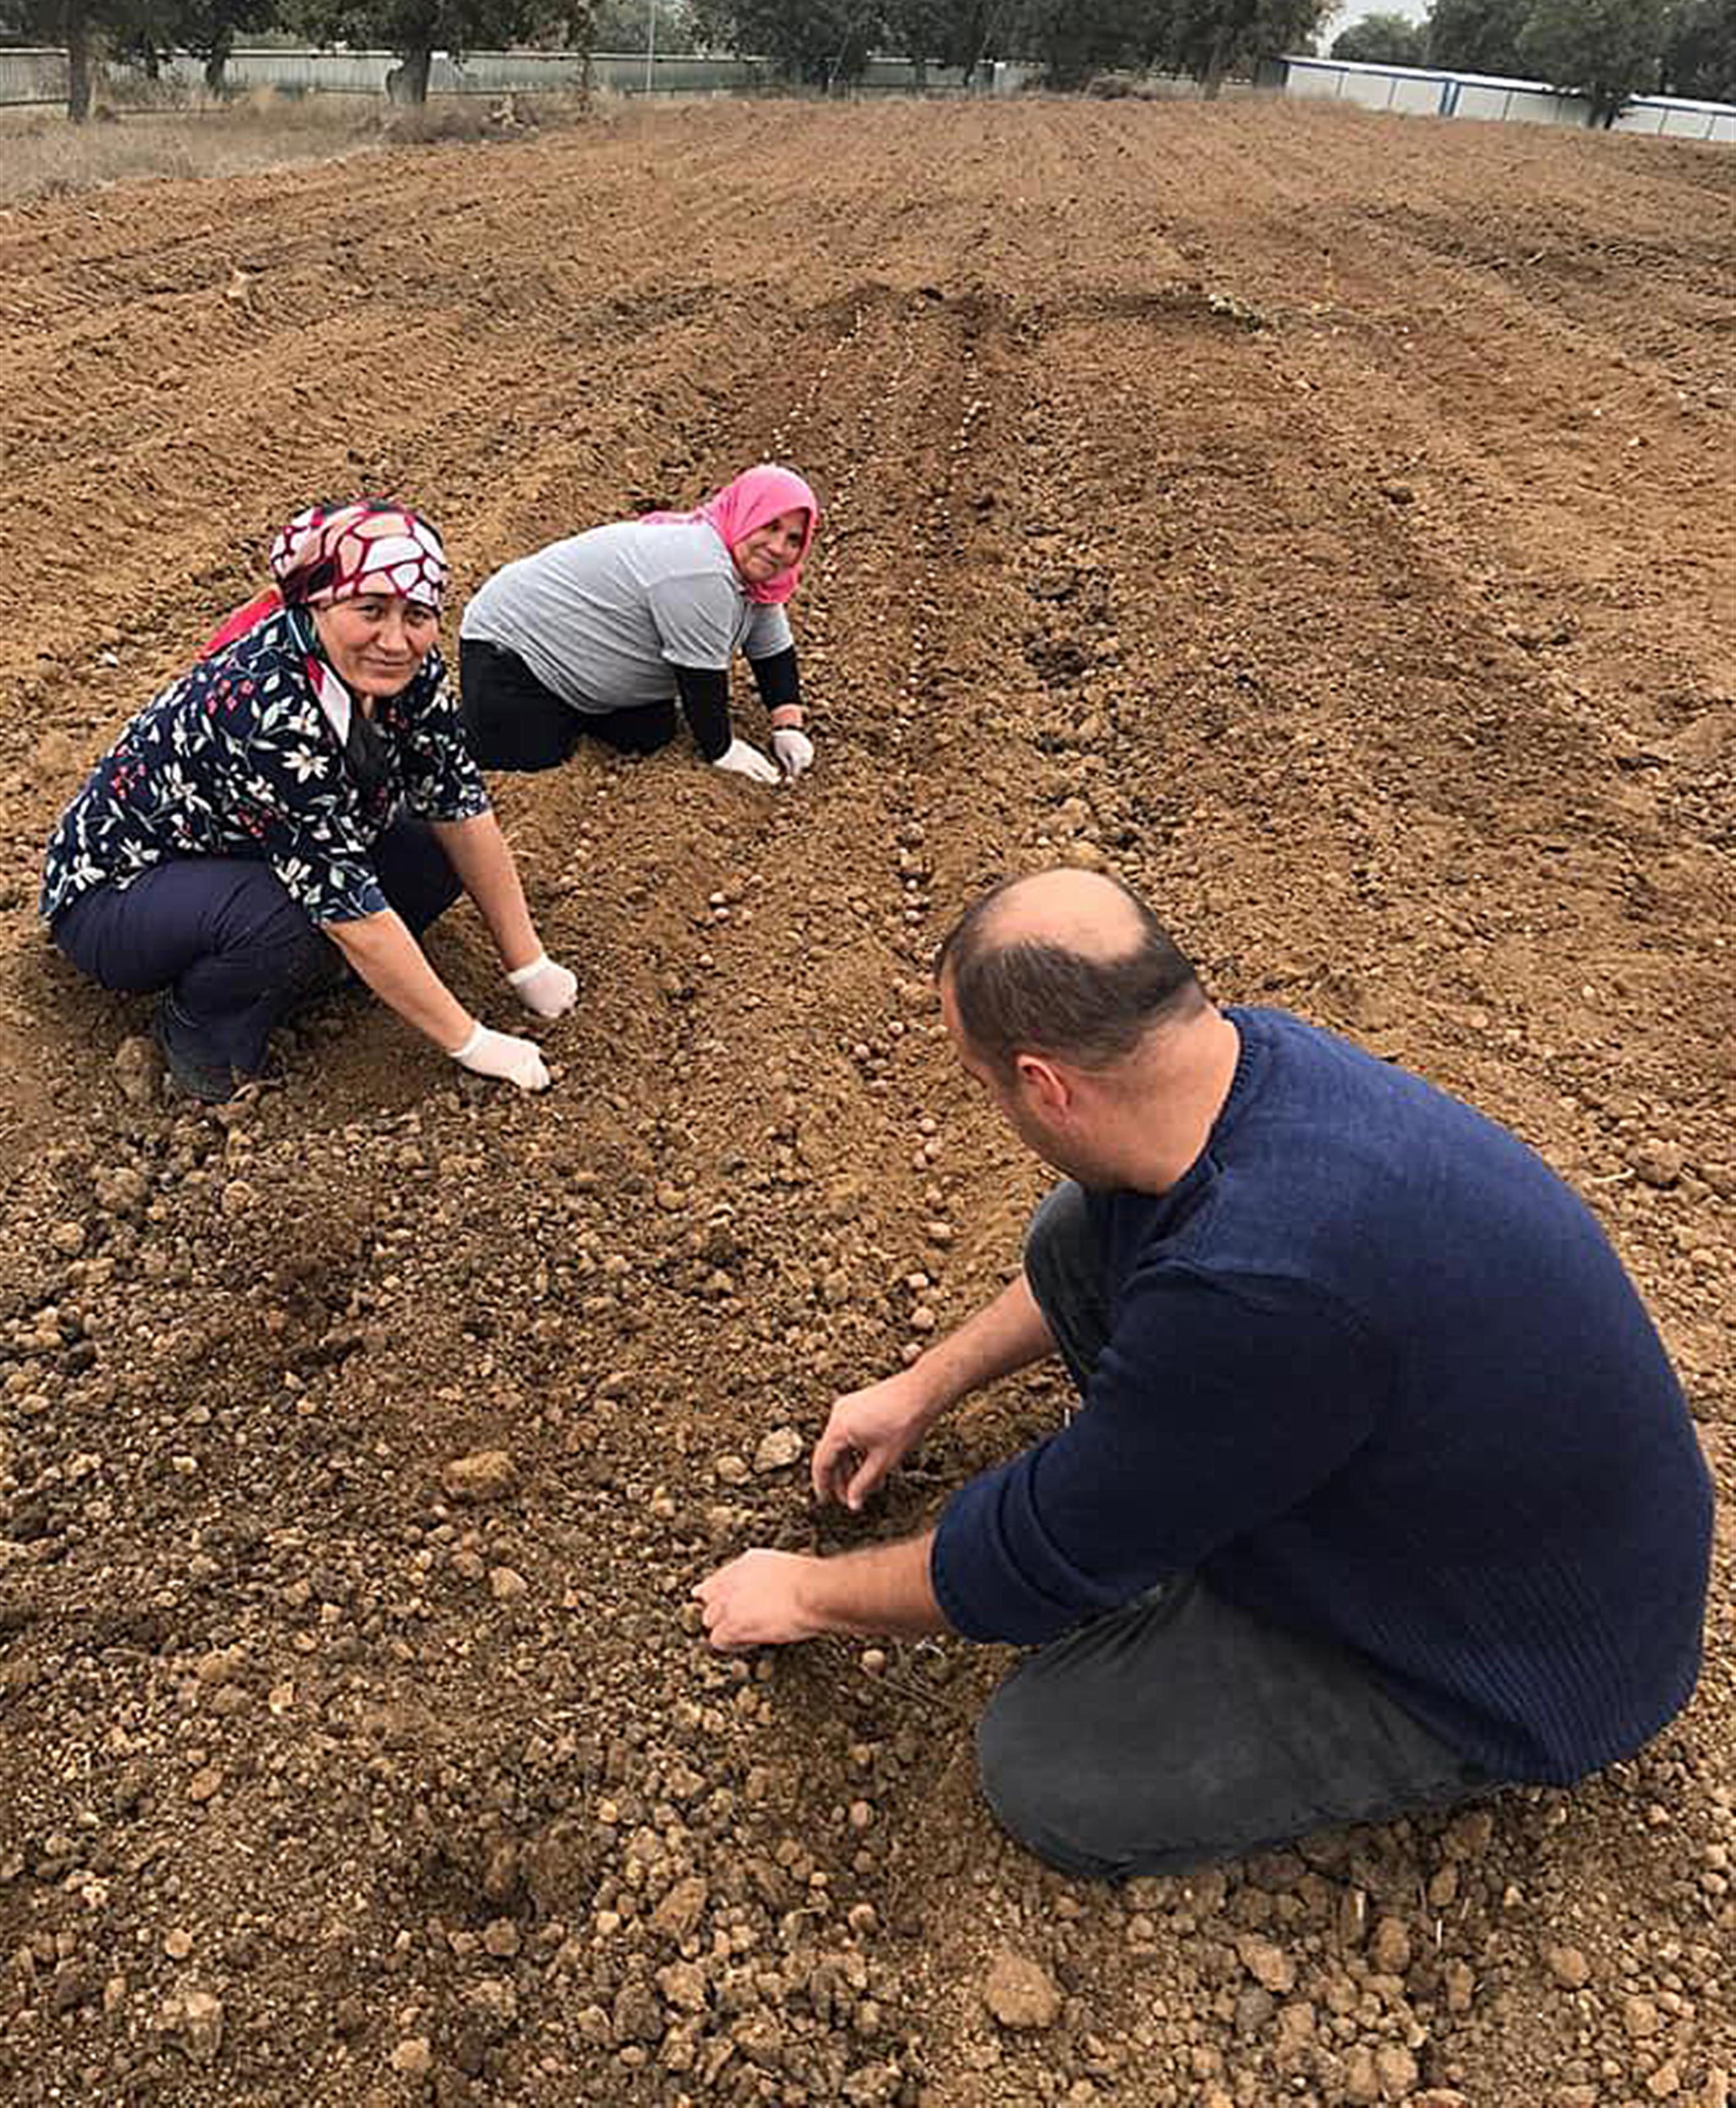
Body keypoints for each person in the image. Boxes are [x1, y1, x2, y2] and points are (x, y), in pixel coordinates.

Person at [696, 869, 1714, 1878]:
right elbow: (1120, 1251)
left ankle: (1295, 1631)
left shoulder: (1256, 1290)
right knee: (1075, 1234)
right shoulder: (1247, 1060)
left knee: (1047, 1766)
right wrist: (920, 1386)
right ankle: (1200, 1524)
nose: (991, 1104)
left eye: (984, 1081)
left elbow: (1032, 1559)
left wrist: (807, 1594)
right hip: (1494, 1502)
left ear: (1046, 1085)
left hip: (1519, 1652)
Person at [41, 501, 576, 1105]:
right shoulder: (268, 702)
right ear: (317, 603)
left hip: (242, 856)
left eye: (418, 615)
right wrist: (473, 1044)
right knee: (290, 919)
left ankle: (323, 974)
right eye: (369, 610)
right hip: (116, 897)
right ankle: (203, 1033)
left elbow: (458, 805)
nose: (395, 640)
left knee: (430, 848)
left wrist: (528, 964)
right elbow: (345, 904)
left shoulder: (409, 674)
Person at [458, 464, 820, 786]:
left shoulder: (756, 582)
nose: (777, 548)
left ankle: (578, 705)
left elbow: (772, 650)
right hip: (513, 647)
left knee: (651, 734)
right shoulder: (701, 569)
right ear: (745, 514)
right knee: (529, 758)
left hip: (577, 656)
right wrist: (722, 750)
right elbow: (700, 674)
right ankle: (446, 727)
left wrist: (787, 726)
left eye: (793, 540)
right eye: (770, 527)